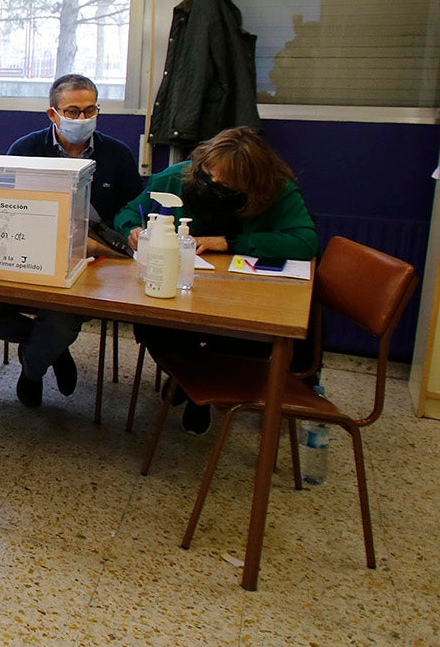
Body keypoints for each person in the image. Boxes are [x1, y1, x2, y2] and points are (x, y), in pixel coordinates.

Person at [115, 126, 318, 433]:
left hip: (242, 297)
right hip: (180, 288)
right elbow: (128, 214)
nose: (213, 185)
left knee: (245, 336)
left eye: (227, 185)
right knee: (152, 324)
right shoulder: (178, 177)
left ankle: (199, 393)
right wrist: (131, 229)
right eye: (208, 176)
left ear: (252, 186)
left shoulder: (277, 189)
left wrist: (230, 241)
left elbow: (305, 242)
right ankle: (193, 382)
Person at [0, 74, 143, 409]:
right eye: (72, 111)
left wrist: (122, 234)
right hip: (31, 251)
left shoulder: (117, 154)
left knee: (61, 318)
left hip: (95, 260)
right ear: (52, 114)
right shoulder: (26, 149)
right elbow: (4, 209)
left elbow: (131, 211)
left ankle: (31, 371)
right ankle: (53, 352)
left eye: (90, 110)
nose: (82, 118)